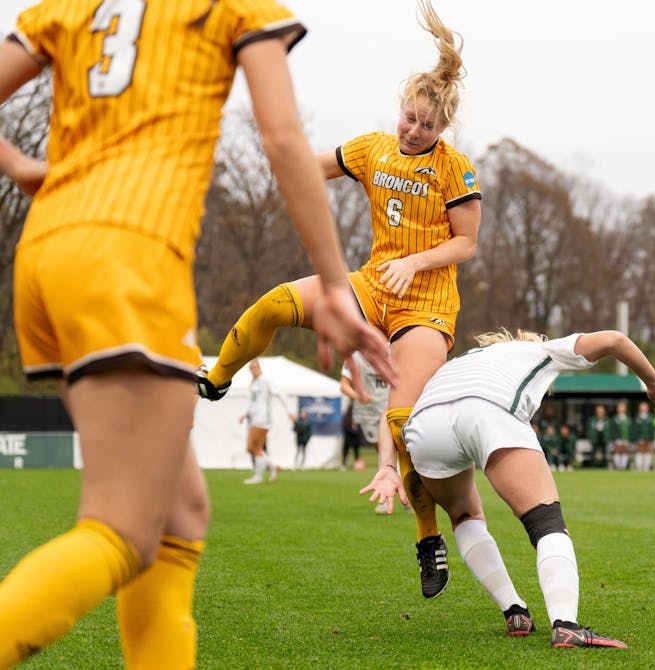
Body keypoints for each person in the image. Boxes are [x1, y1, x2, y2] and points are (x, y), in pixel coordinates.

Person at [0, 2, 395, 667]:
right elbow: (284, 141)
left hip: (47, 254)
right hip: (131, 256)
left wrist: (17, 165)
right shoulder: (229, 6)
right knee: (121, 529)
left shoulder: (71, 5)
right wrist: (333, 284)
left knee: (180, 517)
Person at [194, 0, 477, 598]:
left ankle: (428, 538)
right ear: (400, 110)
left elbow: (466, 244)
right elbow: (303, 168)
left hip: (425, 306)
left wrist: (415, 261)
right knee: (274, 303)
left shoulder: (455, 170)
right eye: (409, 118)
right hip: (372, 285)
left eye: (426, 126)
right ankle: (217, 377)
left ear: (441, 129)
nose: (413, 131)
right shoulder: (373, 148)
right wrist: (275, 152)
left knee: (401, 423)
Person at [361, 329, 655, 648]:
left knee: (464, 515)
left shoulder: (458, 363)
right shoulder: (538, 351)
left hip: (424, 425)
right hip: (486, 408)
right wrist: (653, 381)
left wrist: (387, 467)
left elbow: (394, 409)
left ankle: (514, 610)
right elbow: (615, 339)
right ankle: (566, 625)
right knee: (546, 521)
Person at [241, 359, 292, 484]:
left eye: (254, 367)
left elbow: (280, 393)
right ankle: (274, 466)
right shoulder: (254, 383)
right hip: (253, 419)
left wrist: (289, 411)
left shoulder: (266, 381)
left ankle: (258, 477)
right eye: (250, 368)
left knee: (256, 448)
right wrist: (245, 414)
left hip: (263, 419)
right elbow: (253, 403)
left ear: (259, 367)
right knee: (250, 448)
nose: (252, 370)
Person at [609, 401, 633, 471]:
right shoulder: (614, 418)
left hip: (626, 438)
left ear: (625, 409)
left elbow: (631, 429)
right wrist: (613, 439)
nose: (621, 409)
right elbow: (612, 429)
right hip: (617, 438)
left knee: (624, 451)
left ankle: (623, 467)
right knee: (618, 451)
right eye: (620, 408)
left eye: (623, 408)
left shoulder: (628, 418)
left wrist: (630, 438)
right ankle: (617, 467)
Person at [633, 401, 654, 472]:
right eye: (642, 407)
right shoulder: (637, 417)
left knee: (647, 451)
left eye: (645, 407)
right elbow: (635, 429)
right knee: (639, 451)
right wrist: (637, 438)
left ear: (647, 408)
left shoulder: (650, 417)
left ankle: (646, 468)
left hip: (648, 438)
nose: (643, 409)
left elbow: (652, 429)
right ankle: (639, 467)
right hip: (639, 438)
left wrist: (651, 438)